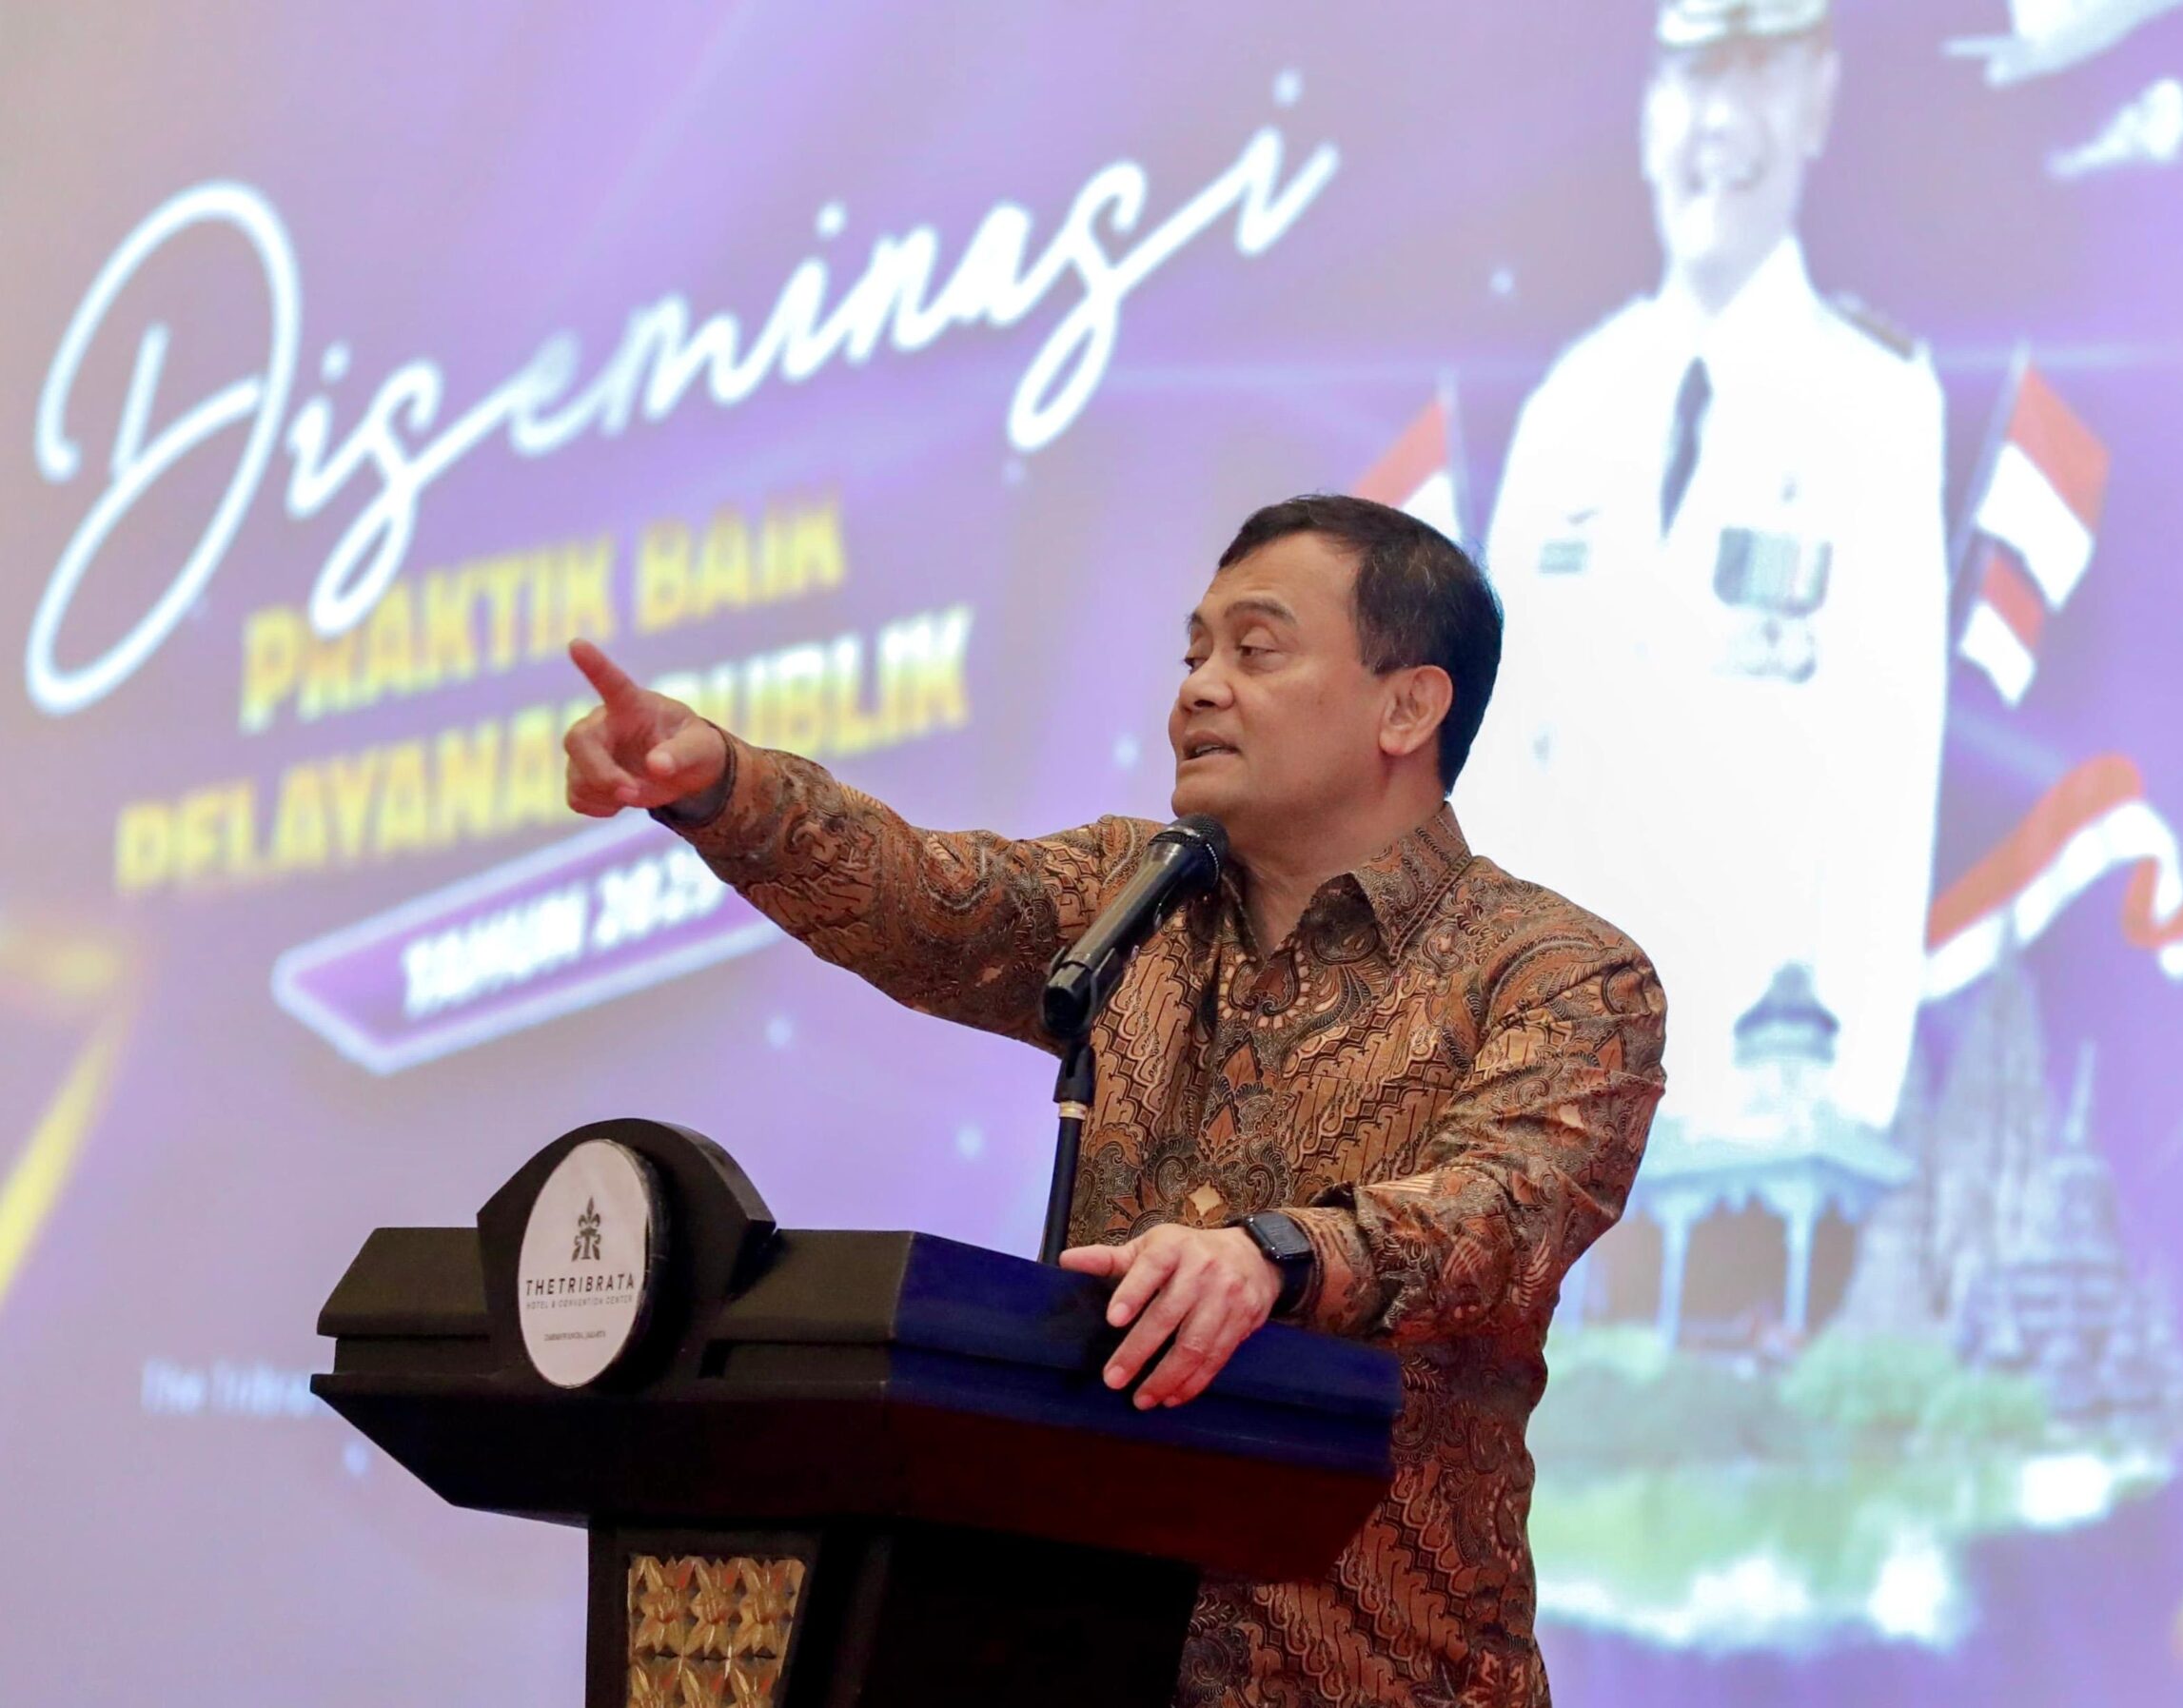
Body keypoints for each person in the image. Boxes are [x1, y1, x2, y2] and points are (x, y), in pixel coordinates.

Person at [562, 495, 1665, 1708]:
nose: (1199, 689)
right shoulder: (1132, 897)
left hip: (1379, 1672)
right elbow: (928, 901)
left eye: (1256, 649)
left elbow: (1499, 1211)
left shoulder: (1557, 971)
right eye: (1192, 654)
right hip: (1069, 1652)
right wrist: (724, 786)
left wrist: (1273, 1257)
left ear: (1407, 706)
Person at [1462, 0, 1948, 1135]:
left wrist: (1846, 1116)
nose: (1718, 122)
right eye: (1692, 78)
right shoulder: (1567, 404)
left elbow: (1888, 794)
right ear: (1646, 116)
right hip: (1537, 1087)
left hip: (1755, 1096)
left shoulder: (1878, 402)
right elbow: (1495, 775)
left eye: (1757, 74)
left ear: (1818, 99)